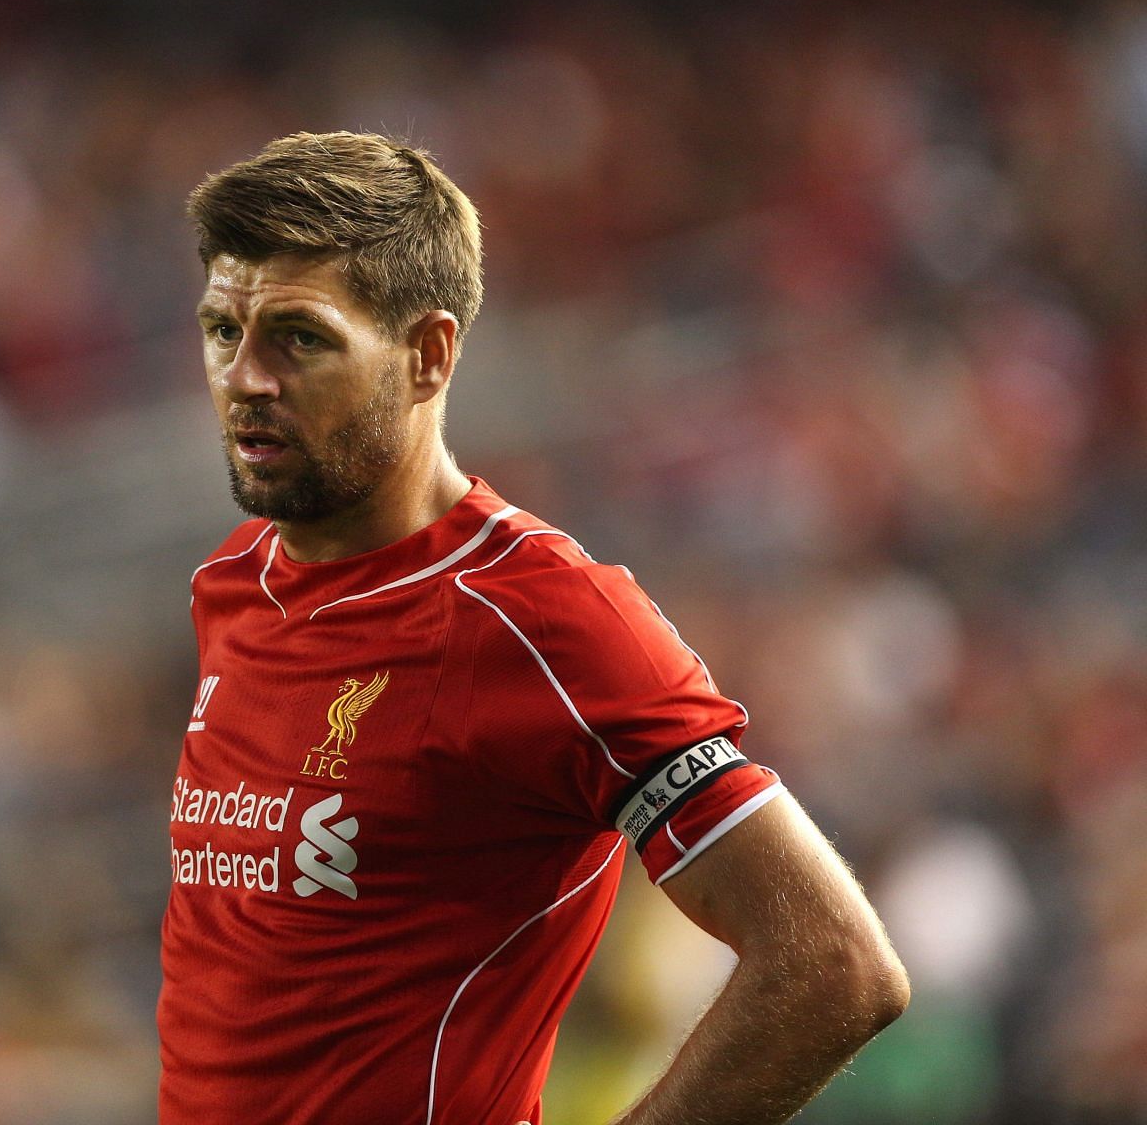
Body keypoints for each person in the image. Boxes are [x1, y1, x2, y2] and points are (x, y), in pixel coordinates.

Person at [158, 131, 909, 1125]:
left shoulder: (540, 618)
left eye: (300, 336)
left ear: (428, 354)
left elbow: (835, 962)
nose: (246, 377)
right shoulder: (234, 583)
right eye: (222, 331)